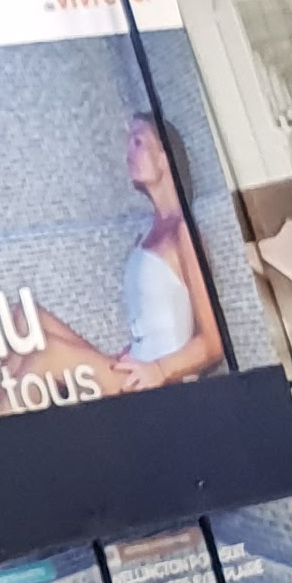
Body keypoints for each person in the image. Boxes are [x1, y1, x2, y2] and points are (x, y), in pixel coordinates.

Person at [110, 110, 224, 390]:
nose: (128, 154)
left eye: (138, 142)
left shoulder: (183, 233)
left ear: (165, 159)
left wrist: (159, 371)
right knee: (27, 321)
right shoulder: (145, 236)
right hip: (136, 369)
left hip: (160, 382)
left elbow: (214, 342)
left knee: (43, 358)